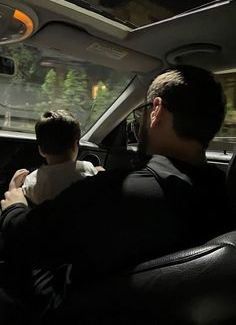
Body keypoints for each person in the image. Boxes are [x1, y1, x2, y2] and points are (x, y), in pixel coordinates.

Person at [0, 65, 234, 314]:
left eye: (142, 112)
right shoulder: (223, 192)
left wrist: (14, 206)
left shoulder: (115, 193)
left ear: (156, 111)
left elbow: (25, 237)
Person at [9, 110, 104, 205]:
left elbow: (18, 203)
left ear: (41, 150)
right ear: (76, 145)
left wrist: (13, 187)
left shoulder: (31, 181)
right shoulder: (87, 168)